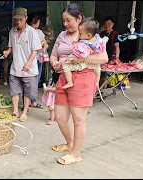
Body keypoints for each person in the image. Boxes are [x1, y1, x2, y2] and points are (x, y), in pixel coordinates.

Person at [50, 3, 108, 165]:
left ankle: (76, 153)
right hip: (63, 77)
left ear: (79, 19)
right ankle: (69, 144)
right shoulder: (62, 35)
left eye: (68, 20)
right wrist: (54, 63)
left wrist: (81, 59)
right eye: (64, 21)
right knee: (60, 117)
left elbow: (103, 59)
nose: (65, 24)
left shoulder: (92, 36)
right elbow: (54, 55)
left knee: (78, 119)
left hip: (83, 78)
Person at [3, 7, 42, 122]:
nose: (18, 22)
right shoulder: (12, 31)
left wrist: (28, 64)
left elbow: (35, 50)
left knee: (28, 91)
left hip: (28, 69)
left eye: (20, 19)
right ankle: (15, 110)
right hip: (16, 67)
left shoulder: (32, 32)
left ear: (26, 18)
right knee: (14, 90)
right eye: (16, 20)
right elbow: (11, 47)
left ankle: (25, 111)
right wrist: (7, 51)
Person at [62, 17, 108, 89]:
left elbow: (81, 54)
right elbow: (102, 46)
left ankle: (69, 82)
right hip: (94, 65)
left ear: (88, 35)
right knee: (98, 69)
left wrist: (75, 43)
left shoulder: (84, 43)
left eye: (80, 34)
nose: (79, 35)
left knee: (65, 66)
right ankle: (96, 82)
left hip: (83, 66)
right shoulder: (98, 40)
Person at [28, 15, 49, 109]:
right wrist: (42, 48)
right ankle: (32, 101)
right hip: (35, 60)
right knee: (34, 80)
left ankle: (30, 101)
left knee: (29, 81)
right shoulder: (34, 32)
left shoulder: (29, 31)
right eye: (38, 23)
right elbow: (46, 45)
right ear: (34, 22)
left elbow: (45, 44)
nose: (38, 24)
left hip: (32, 59)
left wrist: (43, 48)